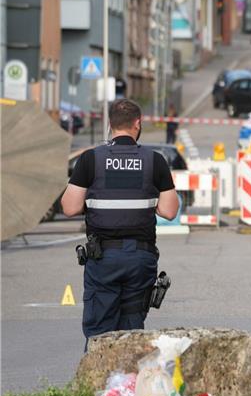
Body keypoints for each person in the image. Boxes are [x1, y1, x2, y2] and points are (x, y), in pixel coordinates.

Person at [61, 98, 179, 347]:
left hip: (103, 259)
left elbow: (69, 207)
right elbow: (169, 211)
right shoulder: (155, 160)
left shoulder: (90, 159)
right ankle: (129, 384)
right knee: (133, 334)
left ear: (110, 125)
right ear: (138, 123)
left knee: (100, 334)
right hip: (140, 259)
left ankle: (99, 384)